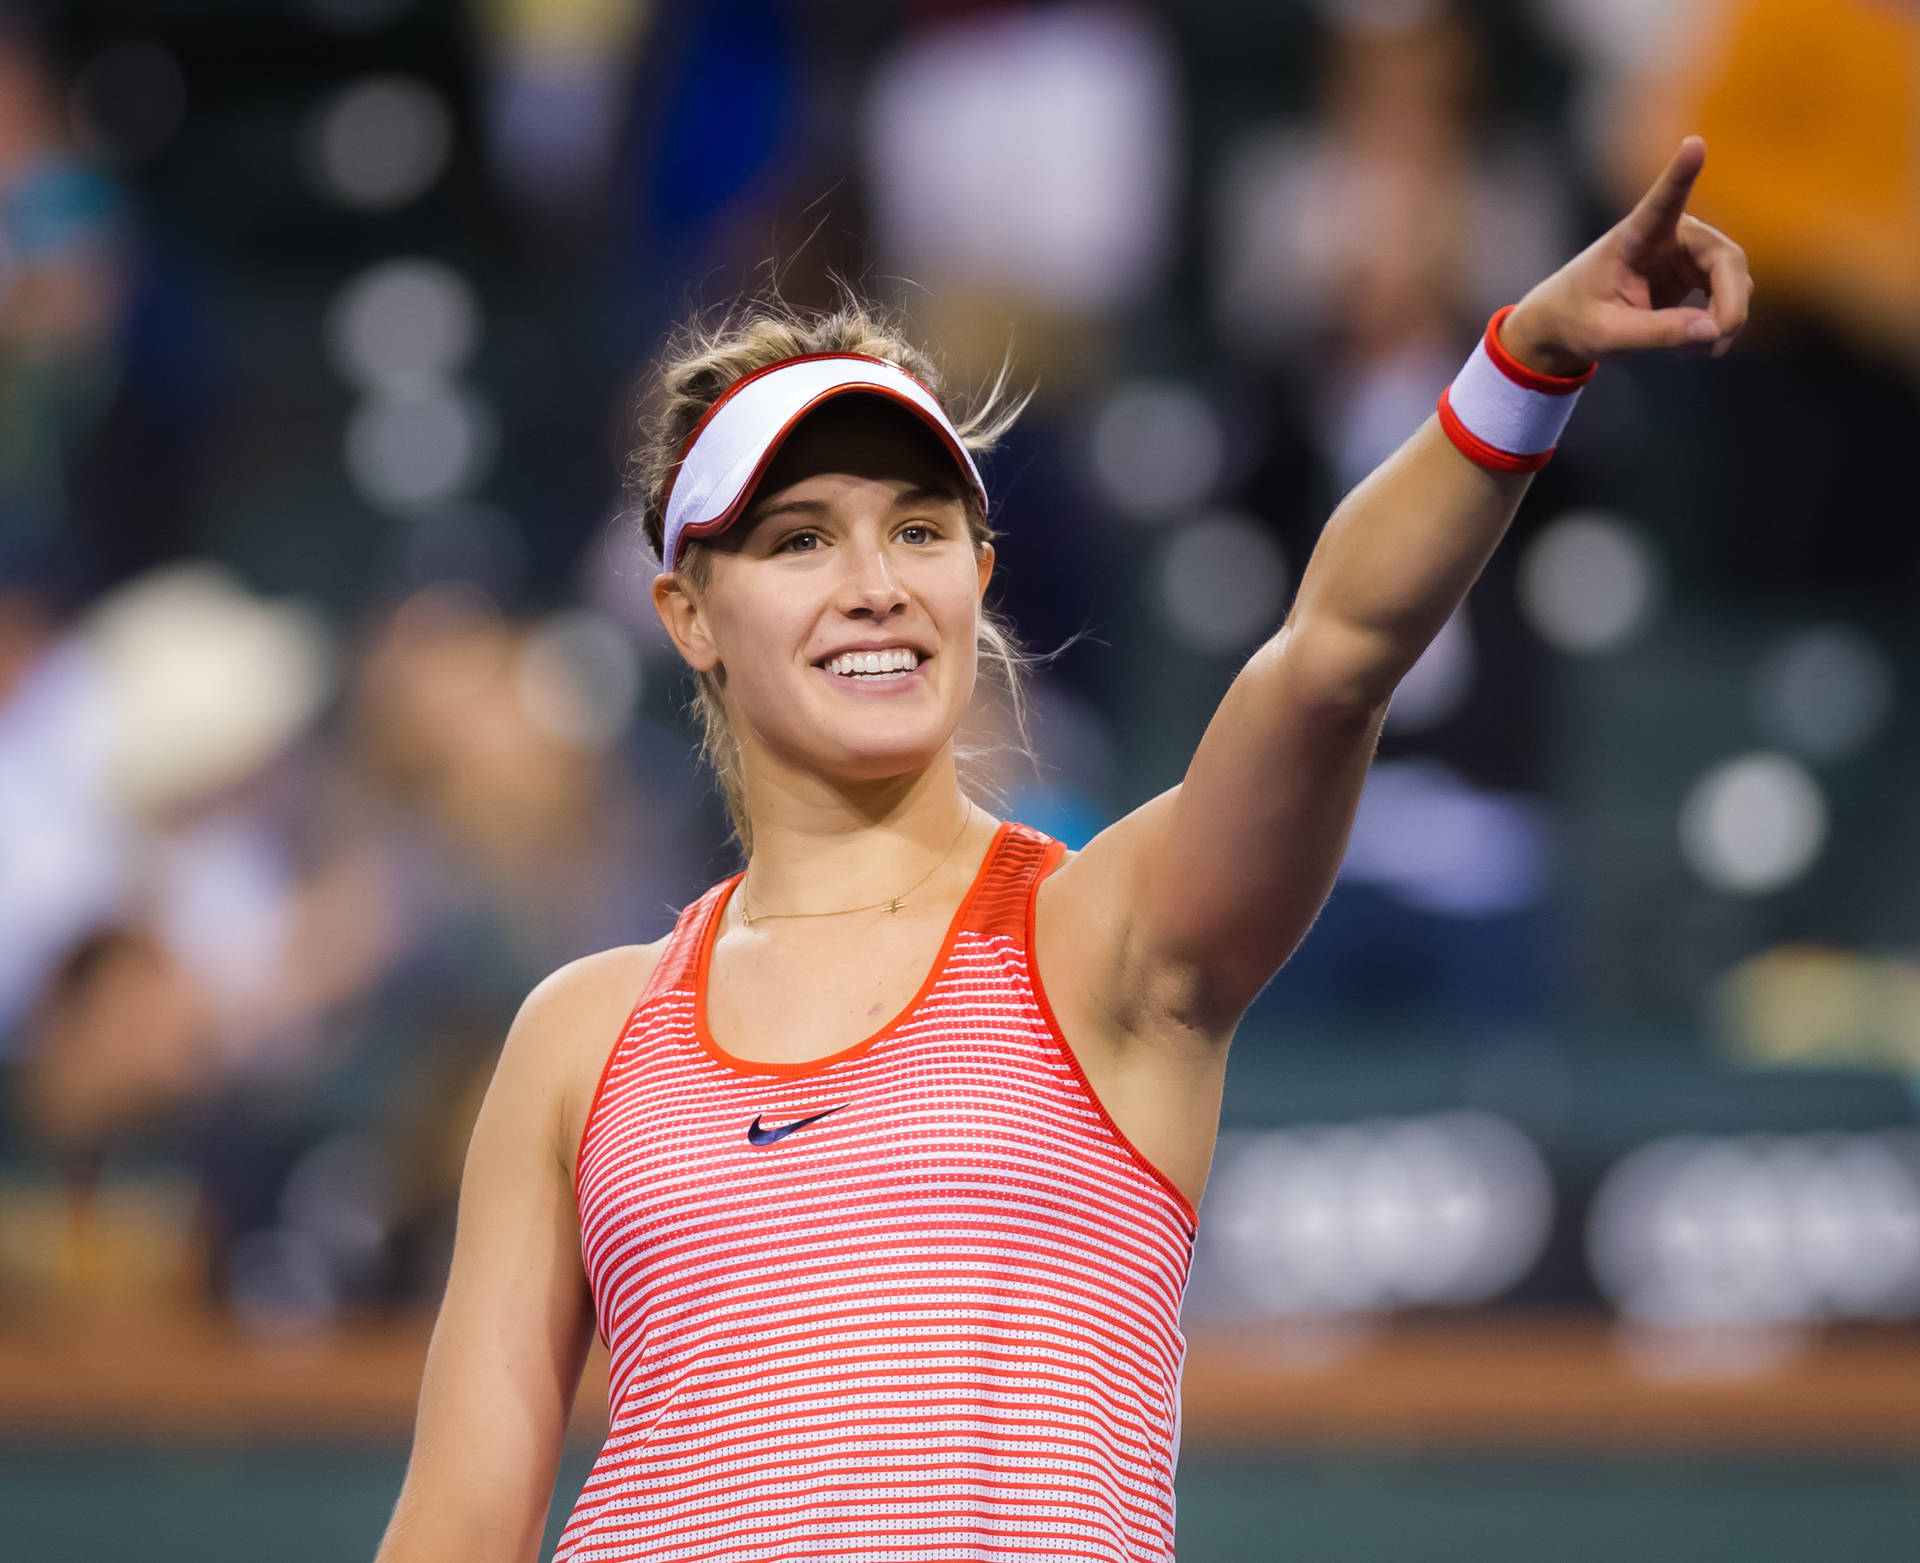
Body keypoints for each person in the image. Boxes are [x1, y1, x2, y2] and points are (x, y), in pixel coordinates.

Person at [374, 136, 1749, 1562]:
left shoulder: (1103, 942)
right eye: (797, 541)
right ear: (688, 615)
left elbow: (1335, 654)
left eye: (917, 529)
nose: (871, 587)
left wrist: (1522, 361)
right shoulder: (579, 1038)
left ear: (976, 576)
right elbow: (458, 1523)